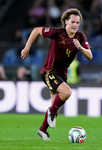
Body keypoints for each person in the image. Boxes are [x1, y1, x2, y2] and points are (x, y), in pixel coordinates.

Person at [21, 8, 92, 140]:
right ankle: (51, 113)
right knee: (67, 93)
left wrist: (81, 48)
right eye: (72, 22)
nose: (75, 25)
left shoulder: (80, 37)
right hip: (49, 72)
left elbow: (90, 56)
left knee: (56, 108)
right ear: (66, 21)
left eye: (77, 22)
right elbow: (36, 30)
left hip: (62, 75)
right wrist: (27, 48)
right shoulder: (56, 33)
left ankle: (42, 130)